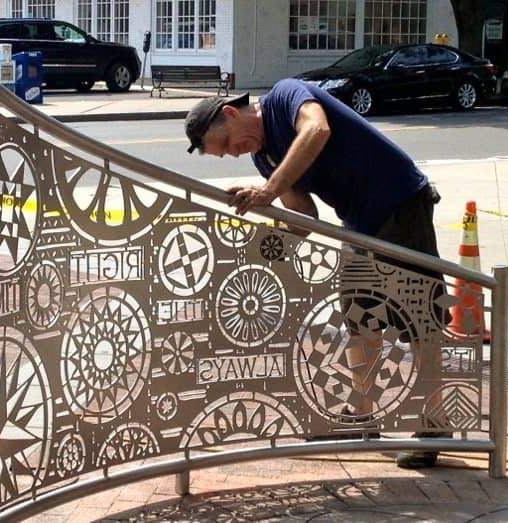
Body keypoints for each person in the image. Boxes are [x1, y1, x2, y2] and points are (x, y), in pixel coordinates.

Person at [184, 78, 450, 469]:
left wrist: (269, 190)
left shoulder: (285, 97)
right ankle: (362, 417)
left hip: (399, 203)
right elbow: (304, 217)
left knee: (419, 322)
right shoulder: (265, 158)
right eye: (222, 155)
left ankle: (434, 426)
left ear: (230, 113)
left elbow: (317, 129)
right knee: (359, 319)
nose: (232, 154)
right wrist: (260, 248)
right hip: (358, 222)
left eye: (225, 145)